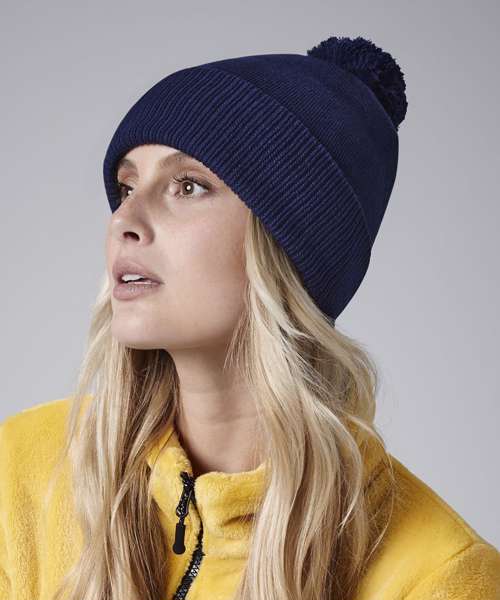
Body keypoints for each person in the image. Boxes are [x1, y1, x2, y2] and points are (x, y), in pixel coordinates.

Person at [0, 34, 499, 600]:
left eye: (188, 186)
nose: (124, 221)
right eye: (127, 186)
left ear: (290, 247)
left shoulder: (439, 575)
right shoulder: (22, 470)